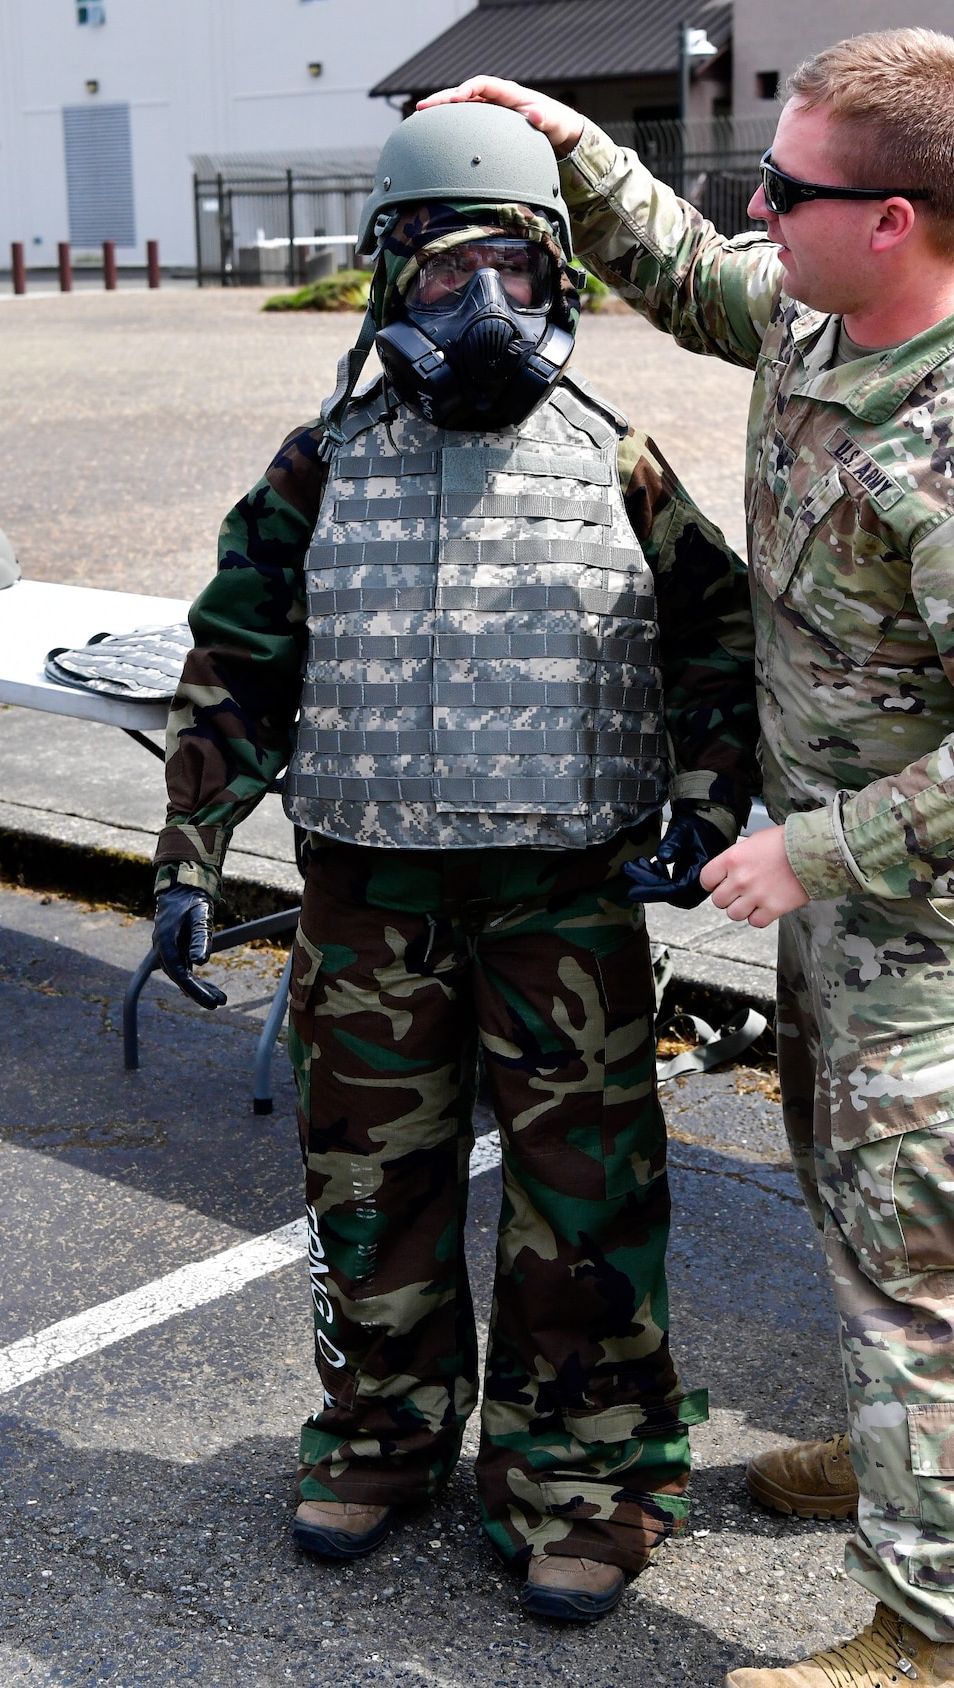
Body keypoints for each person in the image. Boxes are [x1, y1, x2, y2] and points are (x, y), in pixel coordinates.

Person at [423, 32, 954, 1687]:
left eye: (789, 189)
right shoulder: (817, 309)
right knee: (860, 1225)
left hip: (930, 943)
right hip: (836, 917)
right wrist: (554, 133)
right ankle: (897, 1465)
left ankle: (934, 1641)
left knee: (933, 1281)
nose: (756, 208)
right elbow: (687, 271)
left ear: (895, 219)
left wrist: (816, 850)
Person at [151, 101, 759, 1622]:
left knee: (584, 1205)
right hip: (368, 903)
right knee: (369, 1189)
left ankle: (586, 1477)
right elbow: (235, 657)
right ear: (385, 280)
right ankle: (380, 1435)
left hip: (564, 902)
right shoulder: (320, 463)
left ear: (560, 279)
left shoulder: (615, 461)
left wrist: (703, 789)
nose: (477, 307)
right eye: (440, 273)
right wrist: (189, 848)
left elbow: (716, 632)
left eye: (510, 267)